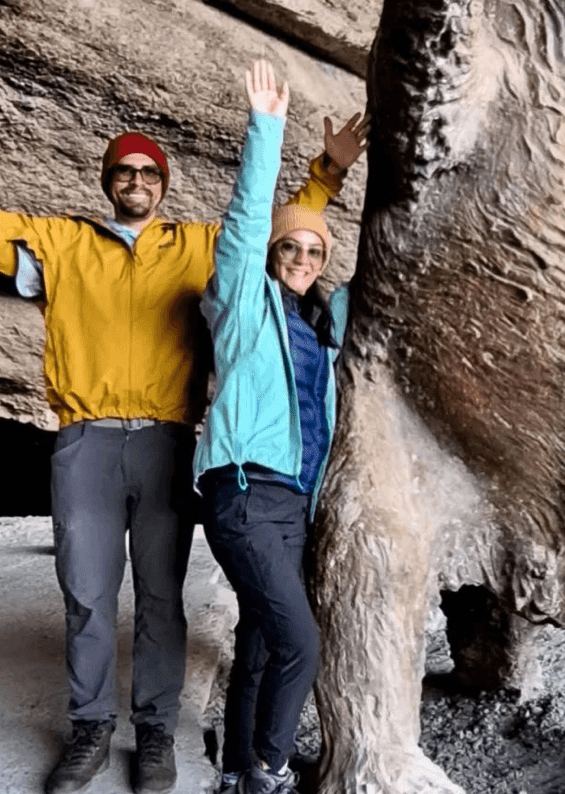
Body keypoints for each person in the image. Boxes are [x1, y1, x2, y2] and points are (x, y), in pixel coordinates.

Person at [0, 92, 367, 794]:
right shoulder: (63, 245)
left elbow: (271, 235)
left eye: (149, 173)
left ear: (164, 186)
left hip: (165, 442)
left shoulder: (194, 248)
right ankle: (90, 728)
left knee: (161, 598)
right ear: (108, 181)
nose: (136, 182)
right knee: (88, 595)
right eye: (124, 172)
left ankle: (154, 733)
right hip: (86, 442)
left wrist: (327, 175)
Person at [193, 60, 359, 794]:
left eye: (313, 250)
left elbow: (380, 276)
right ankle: (269, 767)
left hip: (294, 502)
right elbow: (247, 218)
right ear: (269, 255)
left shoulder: (321, 326)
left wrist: (338, 175)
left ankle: (234, 769)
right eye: (289, 247)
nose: (300, 256)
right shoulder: (239, 302)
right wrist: (267, 129)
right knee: (301, 644)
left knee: (261, 642)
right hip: (243, 494)